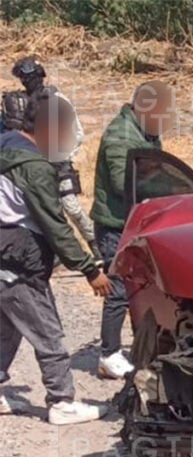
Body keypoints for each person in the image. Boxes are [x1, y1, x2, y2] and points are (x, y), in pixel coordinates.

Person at [0, 93, 113, 425]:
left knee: (7, 329)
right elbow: (55, 226)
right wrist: (90, 269)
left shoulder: (7, 145)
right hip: (18, 262)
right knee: (48, 333)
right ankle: (62, 401)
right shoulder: (34, 167)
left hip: (4, 256)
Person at [91, 81, 174, 379]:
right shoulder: (120, 136)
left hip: (136, 221)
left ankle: (146, 346)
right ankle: (108, 354)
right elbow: (123, 182)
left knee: (144, 288)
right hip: (115, 224)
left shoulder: (146, 132)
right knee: (118, 289)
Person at [8, 57, 97, 261]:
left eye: (30, 77)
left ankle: (96, 247)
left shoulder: (56, 99)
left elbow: (77, 133)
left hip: (58, 162)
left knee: (72, 208)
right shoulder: (16, 102)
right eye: (24, 78)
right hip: (31, 164)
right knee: (37, 209)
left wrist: (61, 155)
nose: (27, 82)